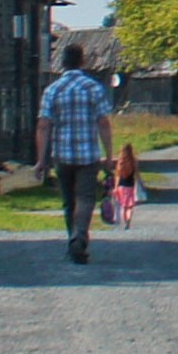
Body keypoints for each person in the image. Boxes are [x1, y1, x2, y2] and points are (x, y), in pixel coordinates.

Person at [37, 42, 114, 264]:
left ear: (62, 63)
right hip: (88, 154)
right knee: (86, 197)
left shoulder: (52, 90)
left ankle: (73, 239)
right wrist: (108, 155)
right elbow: (103, 123)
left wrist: (41, 160)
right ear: (82, 61)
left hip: (62, 155)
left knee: (69, 200)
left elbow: (43, 125)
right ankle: (79, 238)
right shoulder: (93, 88)